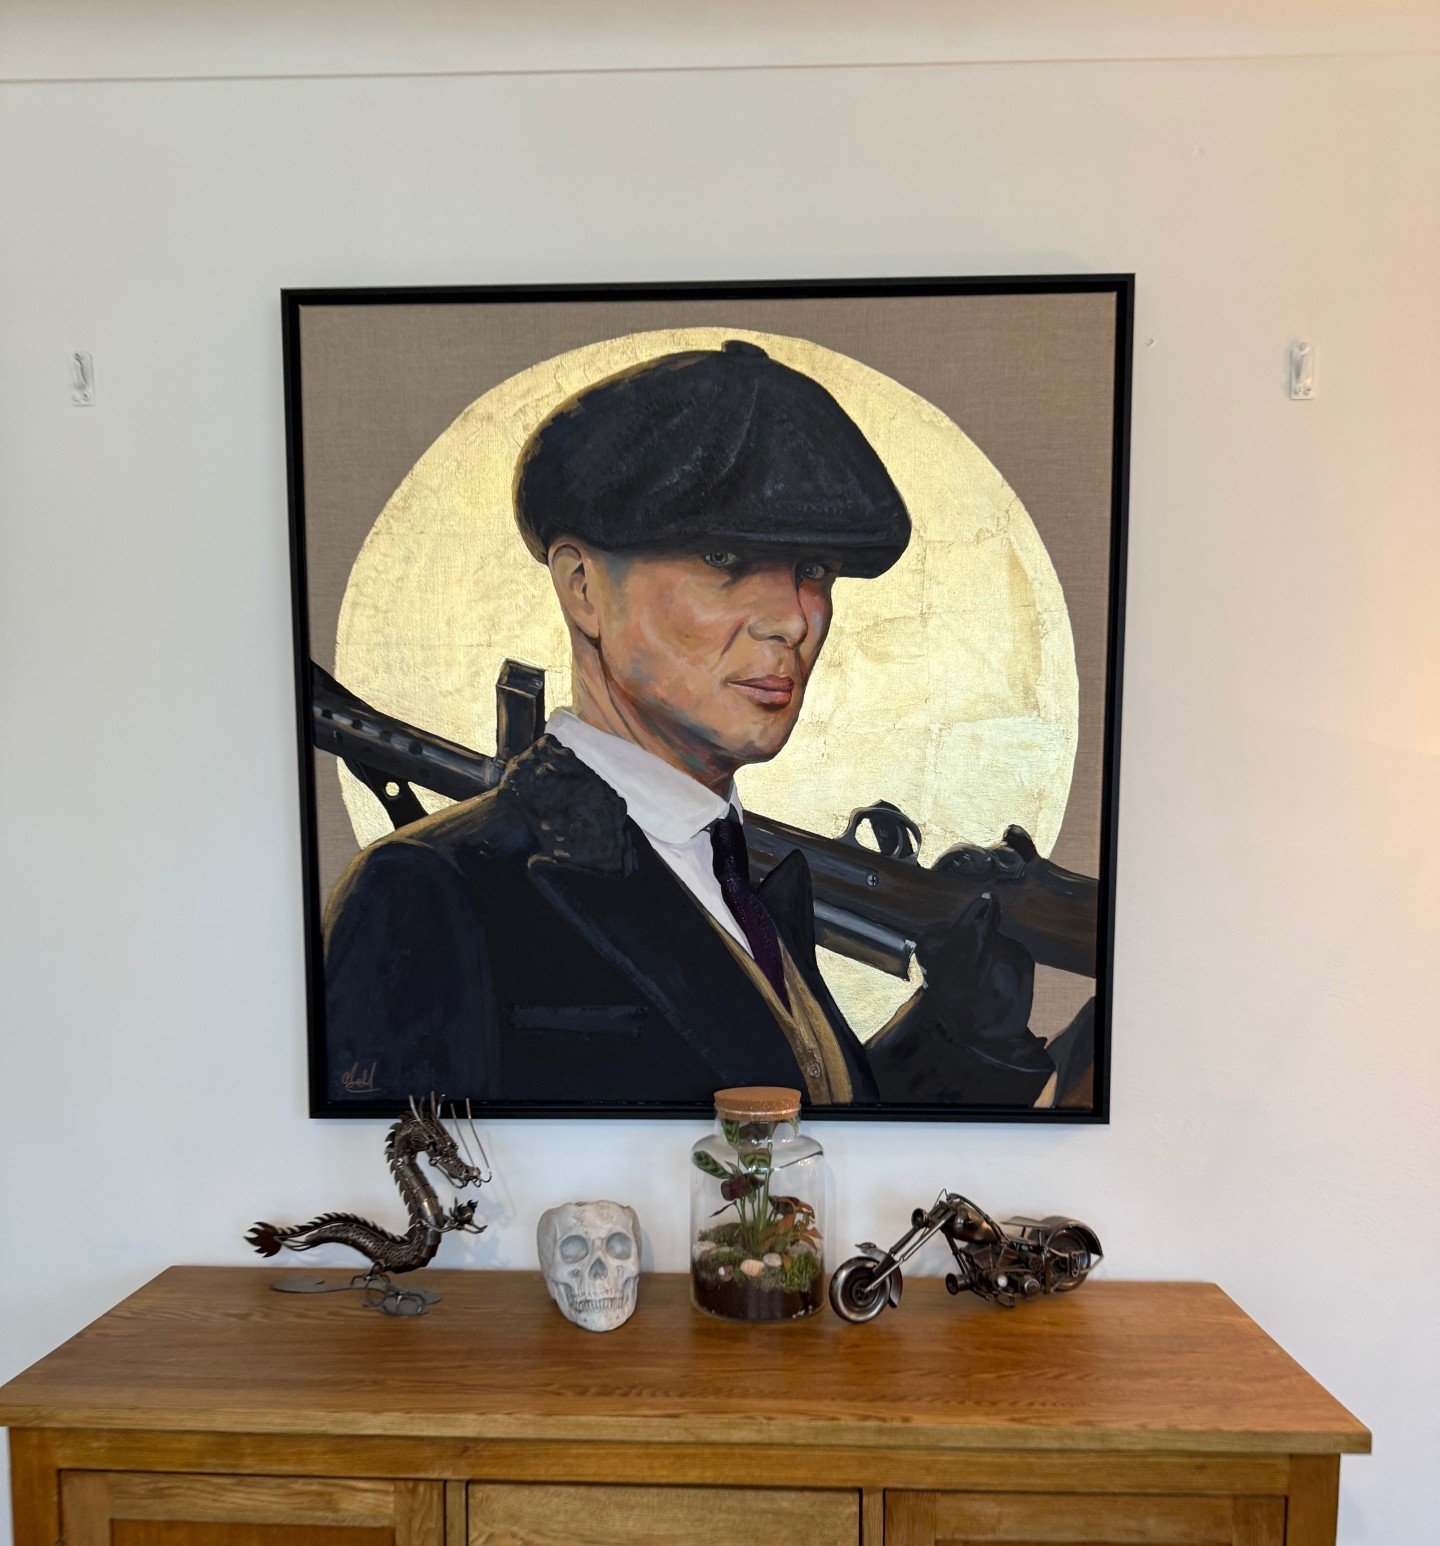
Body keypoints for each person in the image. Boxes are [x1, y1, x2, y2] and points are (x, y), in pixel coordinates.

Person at [323, 342, 1054, 1108]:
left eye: (813, 570)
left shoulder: (738, 879)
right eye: (723, 558)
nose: (791, 620)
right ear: (582, 589)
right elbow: (400, 1174)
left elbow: (794, 1123)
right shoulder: (428, 893)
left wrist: (965, 1032)